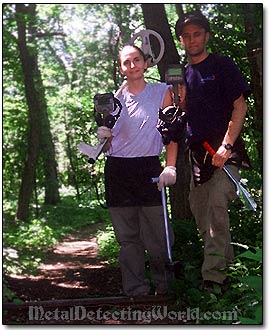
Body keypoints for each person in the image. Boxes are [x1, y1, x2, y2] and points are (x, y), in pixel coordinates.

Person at [174, 11, 251, 291]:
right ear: (181, 40)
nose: (192, 39)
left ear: (206, 36)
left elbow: (240, 105)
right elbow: (183, 115)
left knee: (217, 209)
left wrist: (226, 146)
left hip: (224, 154)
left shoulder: (222, 65)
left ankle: (213, 280)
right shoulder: (183, 73)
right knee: (203, 215)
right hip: (198, 156)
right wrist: (179, 100)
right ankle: (229, 275)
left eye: (196, 34)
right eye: (186, 35)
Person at [96, 45, 178, 297]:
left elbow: (171, 133)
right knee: (128, 237)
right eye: (126, 62)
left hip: (148, 168)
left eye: (137, 60)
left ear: (146, 63)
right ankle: (136, 290)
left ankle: (165, 289)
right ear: (120, 68)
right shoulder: (112, 100)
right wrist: (103, 136)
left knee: (158, 234)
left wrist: (170, 165)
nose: (132, 66)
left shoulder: (162, 92)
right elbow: (108, 144)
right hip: (118, 172)